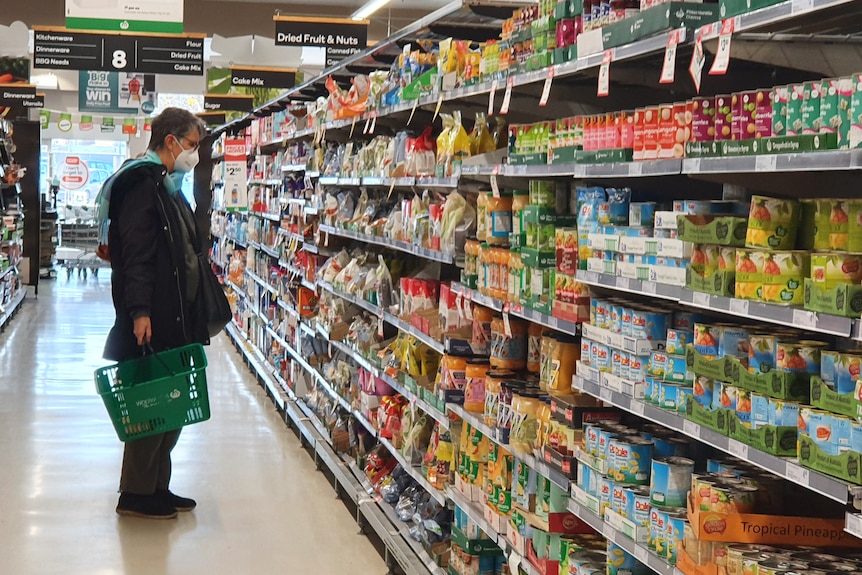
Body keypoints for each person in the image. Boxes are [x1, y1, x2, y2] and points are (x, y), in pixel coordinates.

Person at [96, 107, 210, 519]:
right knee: (151, 403)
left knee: (171, 403)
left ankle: (158, 485)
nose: (193, 154)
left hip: (173, 314)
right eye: (191, 145)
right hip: (154, 315)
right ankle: (137, 494)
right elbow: (139, 257)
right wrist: (140, 311)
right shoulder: (141, 187)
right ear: (170, 142)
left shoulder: (164, 184)